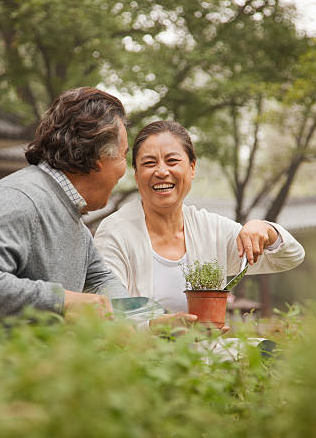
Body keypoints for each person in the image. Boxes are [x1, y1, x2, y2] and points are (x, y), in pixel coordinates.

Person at [94, 121, 305, 318]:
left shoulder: (211, 230)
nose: (161, 171)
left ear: (192, 168)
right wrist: (154, 327)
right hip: (139, 355)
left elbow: (290, 257)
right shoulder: (115, 233)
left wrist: (265, 229)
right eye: (149, 163)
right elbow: (110, 313)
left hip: (205, 354)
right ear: (137, 174)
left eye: (172, 161)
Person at [0, 87, 129, 317]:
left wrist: (146, 322)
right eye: (123, 155)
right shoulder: (17, 199)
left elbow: (100, 280)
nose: (124, 169)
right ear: (99, 157)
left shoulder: (72, 215)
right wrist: (63, 301)